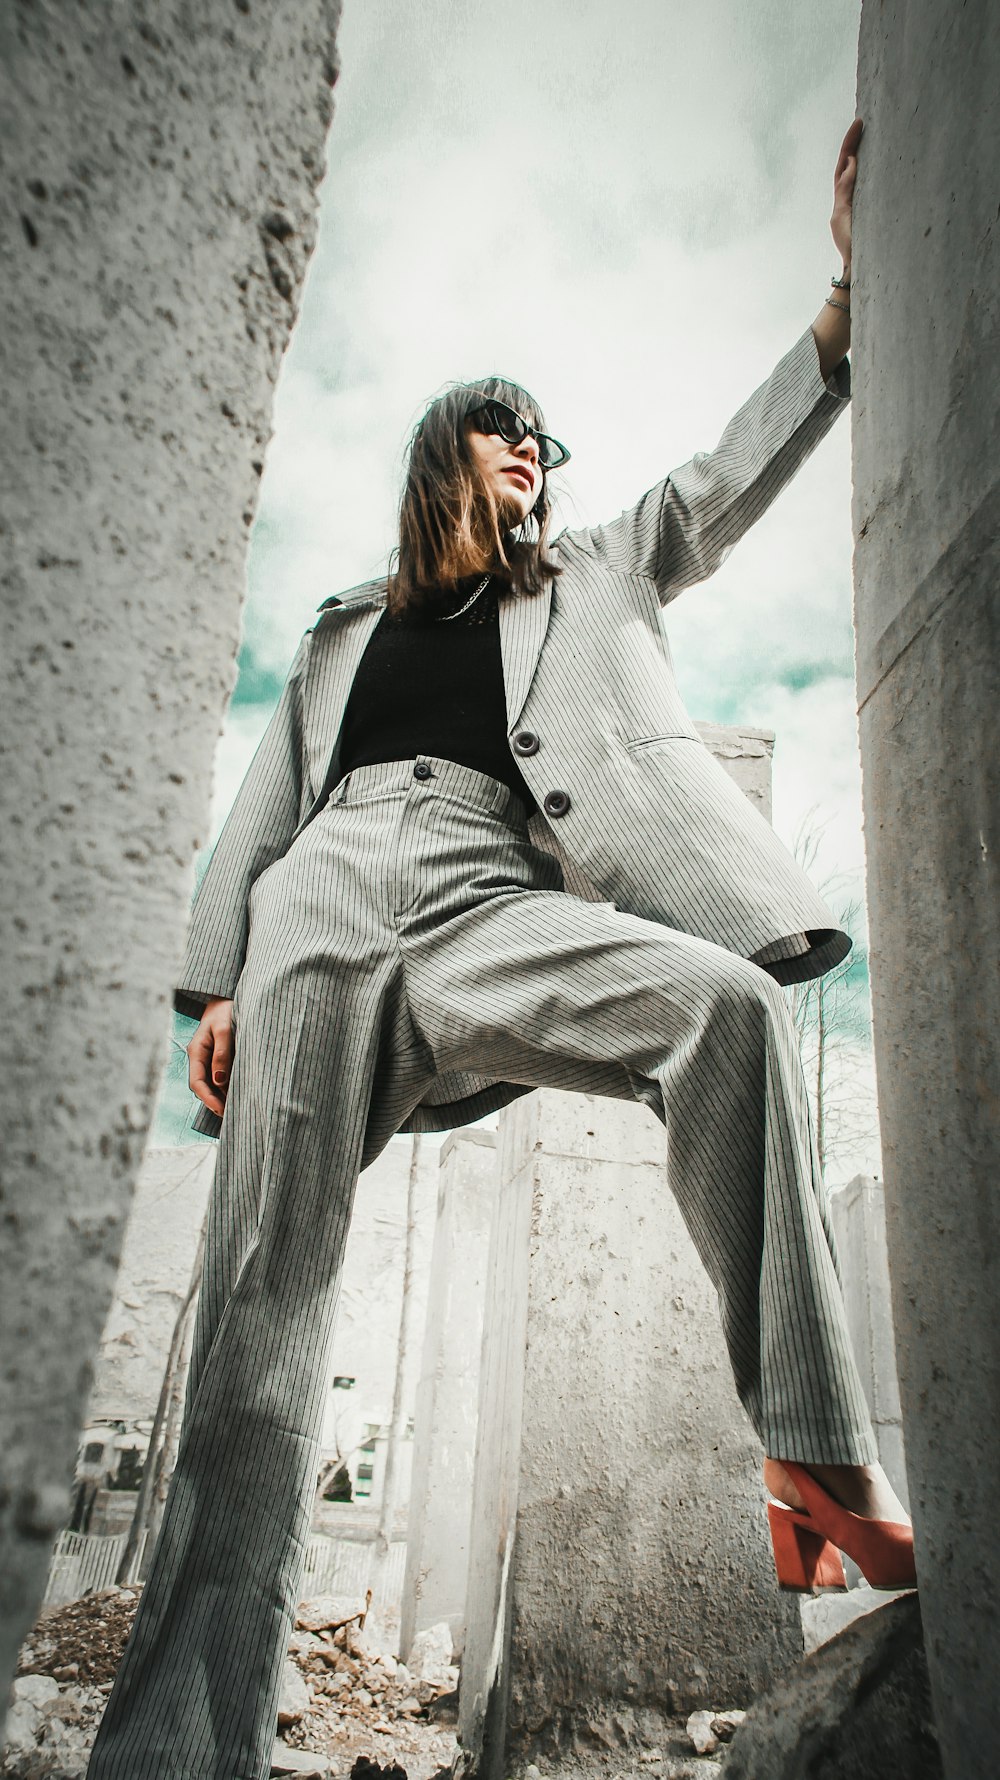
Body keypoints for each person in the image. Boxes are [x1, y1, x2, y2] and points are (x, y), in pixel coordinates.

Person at [87, 115, 914, 1780]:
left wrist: (839, 311)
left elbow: (714, 485)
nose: (530, 443)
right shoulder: (339, 631)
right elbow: (267, 810)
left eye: (544, 430)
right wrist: (212, 987)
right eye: (498, 423)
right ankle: (176, 1749)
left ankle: (820, 1478)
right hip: (319, 908)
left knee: (729, 1016)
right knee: (258, 1308)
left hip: (491, 899)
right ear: (438, 451)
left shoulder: (598, 573)